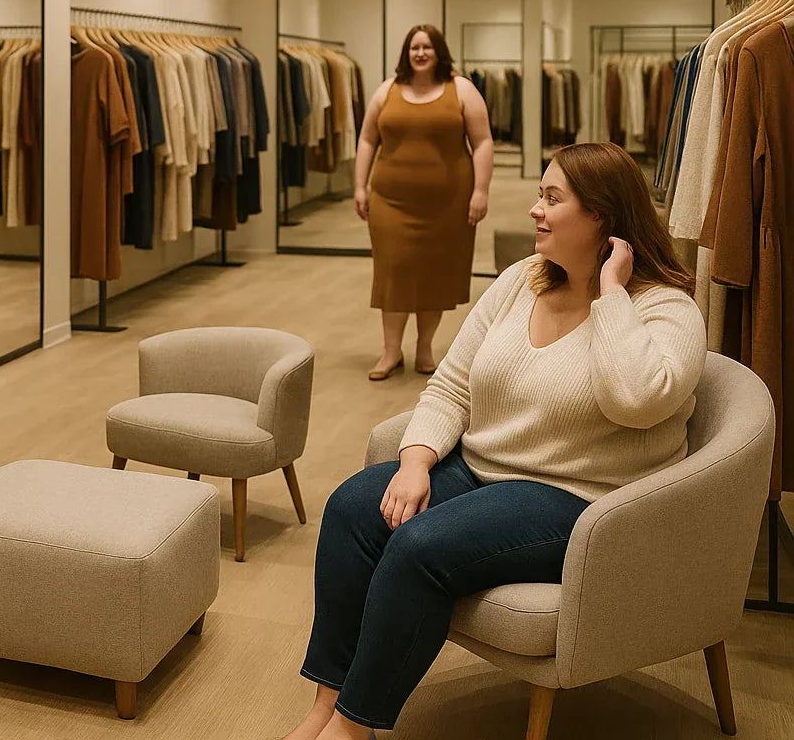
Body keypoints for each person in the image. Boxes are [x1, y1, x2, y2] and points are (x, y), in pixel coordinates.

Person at [284, 141, 705, 740]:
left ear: (604, 220)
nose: (535, 209)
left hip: (579, 498)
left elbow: (634, 400)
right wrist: (416, 460)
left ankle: (354, 727)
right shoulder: (520, 282)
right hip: (480, 467)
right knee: (352, 509)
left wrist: (611, 294)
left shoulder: (667, 310)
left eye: (552, 198)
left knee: (420, 547)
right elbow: (452, 384)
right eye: (539, 192)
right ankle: (326, 705)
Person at [354, 25, 493, 379]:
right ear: (406, 52)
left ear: (439, 51)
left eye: (427, 47)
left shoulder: (461, 89)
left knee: (435, 276)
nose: (420, 53)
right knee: (393, 274)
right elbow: (367, 140)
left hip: (448, 204)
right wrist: (360, 186)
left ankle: (425, 348)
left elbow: (482, 142)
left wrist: (481, 190)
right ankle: (389, 352)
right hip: (390, 202)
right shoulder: (388, 89)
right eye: (414, 47)